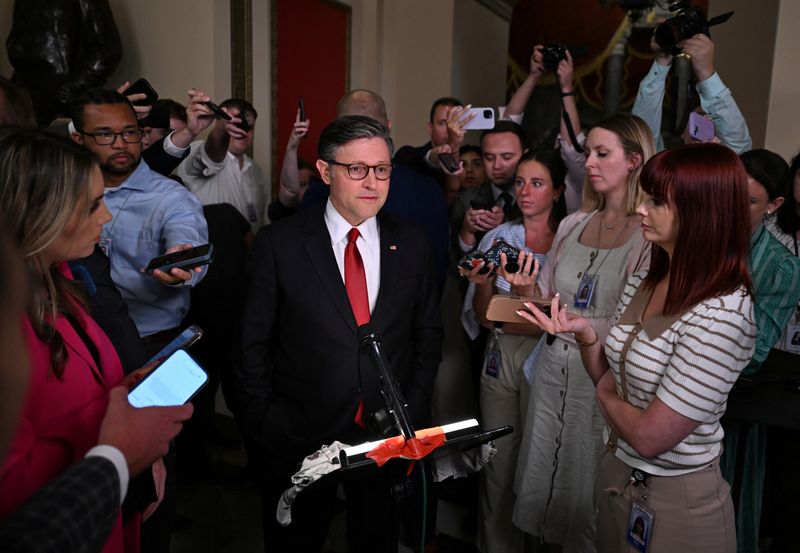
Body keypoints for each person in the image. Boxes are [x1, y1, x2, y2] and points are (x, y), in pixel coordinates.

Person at [518, 142, 756, 553]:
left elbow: (650, 436)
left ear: (703, 213)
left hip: (675, 497)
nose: (641, 209)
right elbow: (615, 377)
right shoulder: (650, 276)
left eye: (657, 202)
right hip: (620, 475)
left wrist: (602, 391)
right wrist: (589, 337)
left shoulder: (724, 312)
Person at [233, 115, 442, 552]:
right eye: (357, 169)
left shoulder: (413, 242)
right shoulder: (280, 244)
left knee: (376, 541)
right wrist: (266, 422)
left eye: (382, 169)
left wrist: (415, 407)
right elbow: (250, 346)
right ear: (326, 172)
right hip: (299, 436)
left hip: (386, 436)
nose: (372, 182)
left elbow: (427, 333)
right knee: (296, 543)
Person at [0, 128, 193, 553]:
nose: (105, 218)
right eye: (91, 205)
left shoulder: (63, 280)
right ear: (37, 215)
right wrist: (118, 449)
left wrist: (126, 390)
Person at [512, 113, 655, 553]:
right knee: (541, 471)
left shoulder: (648, 234)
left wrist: (584, 327)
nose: (587, 162)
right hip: (554, 366)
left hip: (603, 376)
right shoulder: (574, 223)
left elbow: (639, 324)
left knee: (587, 480)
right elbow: (552, 296)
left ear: (634, 160)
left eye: (601, 153)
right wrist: (526, 290)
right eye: (588, 151)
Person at [459, 149, 567, 553]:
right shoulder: (500, 236)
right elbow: (484, 315)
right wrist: (485, 282)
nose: (524, 191)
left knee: (541, 464)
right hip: (501, 353)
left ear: (557, 191)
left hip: (549, 358)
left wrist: (521, 302)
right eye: (520, 182)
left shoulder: (571, 240)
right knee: (497, 462)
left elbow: (564, 317)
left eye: (537, 183)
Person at [68, 88, 209, 348]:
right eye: (104, 134)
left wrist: (182, 262)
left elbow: (186, 232)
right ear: (78, 138)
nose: (120, 143)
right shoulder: (63, 191)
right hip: (76, 340)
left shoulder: (171, 197)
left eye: (129, 132)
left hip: (149, 344)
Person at [720, 149, 800, 553]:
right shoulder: (699, 237)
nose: (734, 207)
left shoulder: (780, 266)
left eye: (749, 201)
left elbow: (756, 347)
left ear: (774, 205)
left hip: (731, 405)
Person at [632, 32, 751, 154]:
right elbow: (642, 141)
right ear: (683, 132)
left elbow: (739, 145)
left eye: (713, 121)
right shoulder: (665, 169)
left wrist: (705, 72)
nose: (706, 120)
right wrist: (662, 62)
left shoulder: (728, 167)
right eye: (699, 117)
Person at [176, 98, 270, 232]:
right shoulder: (196, 151)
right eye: (236, 123)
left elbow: (260, 221)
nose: (243, 131)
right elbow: (211, 156)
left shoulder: (256, 170)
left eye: (249, 127)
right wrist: (221, 131)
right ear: (219, 121)